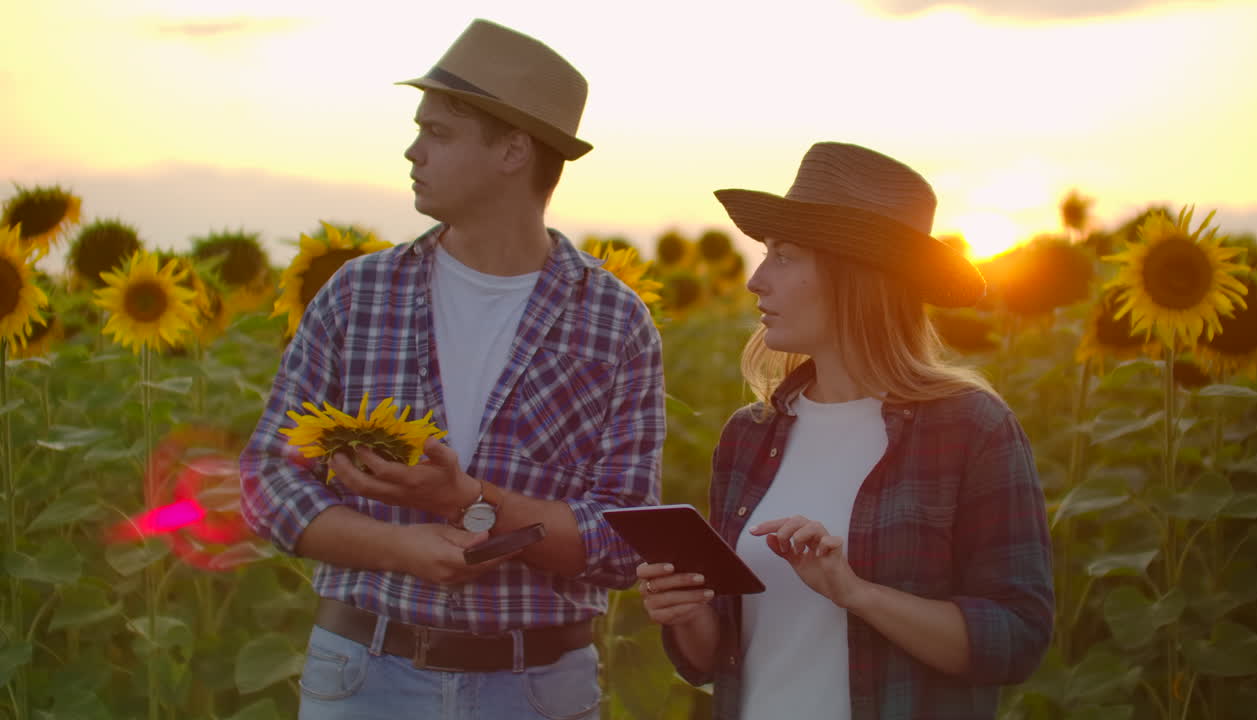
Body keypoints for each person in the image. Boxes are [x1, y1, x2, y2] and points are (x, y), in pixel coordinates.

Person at [239, 19, 664, 719]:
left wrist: (460, 499)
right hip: (365, 675)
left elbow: (622, 541)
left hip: (535, 688)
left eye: (438, 132)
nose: (412, 151)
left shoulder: (614, 322)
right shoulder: (357, 293)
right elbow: (266, 480)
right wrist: (396, 547)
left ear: (513, 151)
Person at [637, 142, 1053, 719]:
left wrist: (855, 593)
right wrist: (688, 613)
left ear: (853, 274)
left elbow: (1017, 639)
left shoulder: (971, 430)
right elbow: (718, 661)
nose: (757, 279)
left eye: (784, 256)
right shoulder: (748, 438)